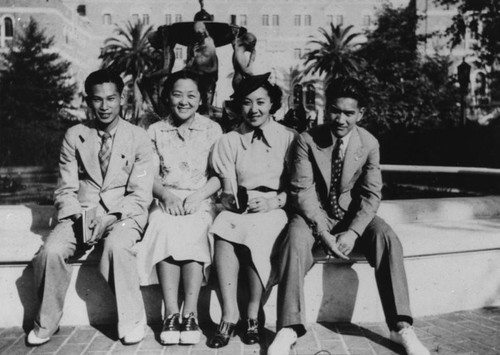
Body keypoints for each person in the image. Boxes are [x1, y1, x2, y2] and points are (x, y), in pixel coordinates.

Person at [268, 78, 430, 355]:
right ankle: (289, 327)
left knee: (387, 237)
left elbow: (371, 195)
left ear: (361, 113)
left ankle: (401, 325)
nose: (340, 119)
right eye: (335, 110)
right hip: (312, 216)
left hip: (351, 217)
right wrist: (324, 233)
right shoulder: (306, 140)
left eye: (349, 113)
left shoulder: (369, 143)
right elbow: (302, 191)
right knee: (294, 238)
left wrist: (353, 232)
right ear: (326, 107)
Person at [28, 69, 154, 346]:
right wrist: (81, 217)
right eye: (98, 100)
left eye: (111, 99)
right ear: (88, 101)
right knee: (51, 250)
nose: (105, 106)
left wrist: (110, 218)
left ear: (122, 99)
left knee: (117, 247)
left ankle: (133, 321)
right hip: (81, 214)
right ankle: (46, 321)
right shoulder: (75, 135)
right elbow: (65, 188)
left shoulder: (139, 138)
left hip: (124, 214)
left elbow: (140, 194)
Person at [207, 73, 297, 348]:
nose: (254, 109)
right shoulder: (229, 141)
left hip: (274, 207)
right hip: (239, 206)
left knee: (261, 231)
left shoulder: (289, 138)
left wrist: (276, 201)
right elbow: (226, 185)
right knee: (223, 228)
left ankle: (253, 315)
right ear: (239, 106)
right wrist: (232, 201)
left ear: (272, 104)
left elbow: (299, 186)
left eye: (261, 102)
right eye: (246, 103)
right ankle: (229, 313)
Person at [136, 70, 223, 345]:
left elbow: (220, 175)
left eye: (191, 96)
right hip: (166, 199)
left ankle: (191, 313)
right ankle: (171, 313)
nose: (184, 101)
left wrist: (198, 197)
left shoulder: (213, 129)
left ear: (200, 100)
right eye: (177, 95)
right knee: (163, 225)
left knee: (197, 227)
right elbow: (148, 174)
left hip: (202, 198)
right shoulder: (155, 131)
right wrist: (165, 196)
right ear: (167, 98)